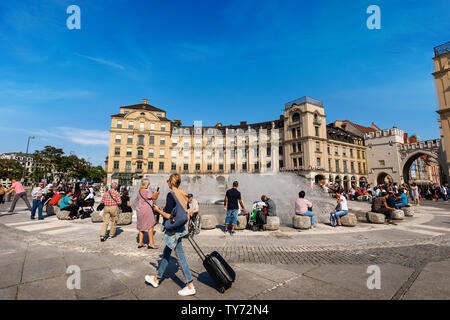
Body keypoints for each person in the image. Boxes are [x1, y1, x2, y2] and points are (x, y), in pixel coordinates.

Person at [145, 173, 196, 297]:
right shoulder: (183, 194)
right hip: (180, 227)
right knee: (167, 253)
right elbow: (187, 212)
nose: (167, 183)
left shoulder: (171, 195)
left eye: (168, 181)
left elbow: (168, 215)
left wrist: (157, 210)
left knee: (180, 255)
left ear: (171, 183)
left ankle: (190, 285)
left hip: (174, 230)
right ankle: (156, 279)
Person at [136, 179, 159, 249]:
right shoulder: (147, 191)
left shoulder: (139, 191)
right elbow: (154, 198)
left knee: (141, 226)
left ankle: (140, 242)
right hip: (147, 210)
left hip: (139, 210)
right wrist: (157, 193)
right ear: (146, 184)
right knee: (151, 226)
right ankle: (151, 244)